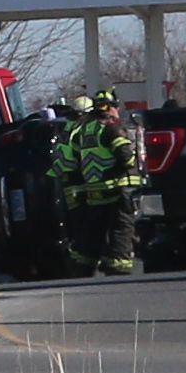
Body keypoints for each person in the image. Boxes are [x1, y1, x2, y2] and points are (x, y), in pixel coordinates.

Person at [52, 88, 146, 276]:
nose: (117, 112)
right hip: (117, 187)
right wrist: (132, 162)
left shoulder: (83, 132)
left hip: (94, 190)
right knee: (121, 226)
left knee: (93, 229)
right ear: (110, 108)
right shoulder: (111, 128)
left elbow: (73, 160)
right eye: (115, 108)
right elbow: (125, 157)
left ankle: (82, 264)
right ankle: (119, 263)